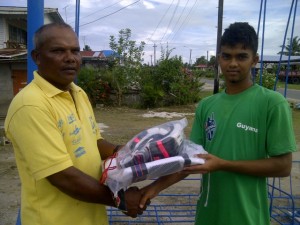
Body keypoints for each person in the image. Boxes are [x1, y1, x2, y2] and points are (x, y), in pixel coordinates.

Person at [139, 22, 297, 225]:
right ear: (219, 59)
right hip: (208, 216)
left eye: (241, 56)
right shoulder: (207, 105)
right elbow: (191, 160)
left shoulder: (272, 103)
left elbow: (283, 166)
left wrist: (223, 164)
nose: (232, 63)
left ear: (254, 60)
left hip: (247, 217)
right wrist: (153, 188)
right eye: (226, 56)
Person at [4, 22, 146, 225]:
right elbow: (62, 176)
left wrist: (127, 151)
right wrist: (120, 199)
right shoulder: (31, 105)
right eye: (58, 51)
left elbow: (93, 141)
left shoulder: (77, 93)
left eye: (75, 51)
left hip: (90, 215)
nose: (70, 58)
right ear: (37, 57)